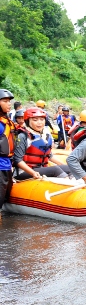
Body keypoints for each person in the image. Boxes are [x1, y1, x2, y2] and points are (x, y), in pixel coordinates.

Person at [13, 107, 70, 180]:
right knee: (55, 170)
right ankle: (68, 184)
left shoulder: (45, 134)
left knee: (68, 168)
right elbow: (17, 160)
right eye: (35, 120)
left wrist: (64, 166)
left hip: (41, 169)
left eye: (42, 119)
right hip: (23, 172)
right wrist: (33, 173)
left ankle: (77, 185)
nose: (39, 122)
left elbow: (49, 155)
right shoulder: (23, 136)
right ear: (27, 121)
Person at [0, 89, 17, 218]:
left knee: (6, 196)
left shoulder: (7, 122)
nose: (9, 104)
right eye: (5, 101)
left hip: (7, 164)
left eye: (9, 101)